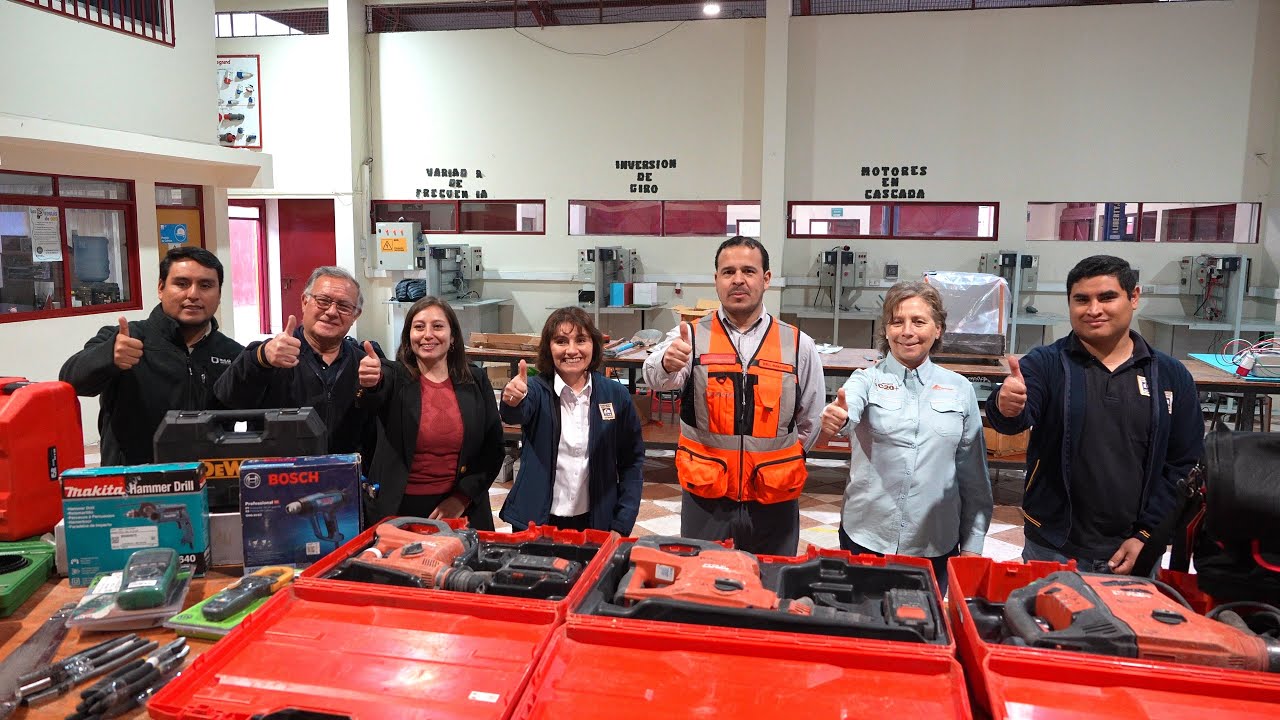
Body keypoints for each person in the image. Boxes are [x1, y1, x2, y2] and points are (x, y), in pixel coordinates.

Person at [987, 255, 1203, 575]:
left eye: (1107, 297)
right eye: (1081, 300)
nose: (1093, 309)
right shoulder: (1045, 364)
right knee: (1045, 623)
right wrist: (1005, 405)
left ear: (1134, 297)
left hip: (1134, 549)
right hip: (1053, 545)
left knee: (1126, 625)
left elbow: (1183, 464)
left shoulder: (1170, 376)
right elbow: (1012, 418)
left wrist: (1148, 534)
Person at [642, 236, 824, 555]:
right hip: (707, 496)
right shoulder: (690, 335)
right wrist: (666, 363)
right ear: (716, 280)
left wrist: (783, 461)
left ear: (765, 279)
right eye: (728, 272)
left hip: (773, 496)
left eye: (748, 271)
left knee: (771, 584)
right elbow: (654, 377)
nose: (738, 280)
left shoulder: (798, 345)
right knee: (705, 585)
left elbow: (811, 420)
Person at [817, 281, 991, 592]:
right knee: (863, 624)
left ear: (938, 329)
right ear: (886, 330)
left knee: (924, 627)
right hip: (868, 535)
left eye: (919, 322)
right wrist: (839, 417)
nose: (907, 331)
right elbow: (848, 408)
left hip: (934, 542)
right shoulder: (865, 380)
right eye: (897, 322)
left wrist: (973, 544)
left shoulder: (959, 389)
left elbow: (973, 475)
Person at [60, 247, 243, 465]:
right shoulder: (125, 339)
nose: (193, 294)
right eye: (182, 283)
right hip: (132, 485)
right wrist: (109, 356)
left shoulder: (233, 355)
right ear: (161, 288)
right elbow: (71, 380)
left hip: (209, 485)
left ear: (219, 294)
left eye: (205, 285)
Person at [359, 296, 503, 528]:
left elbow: (493, 449)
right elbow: (374, 394)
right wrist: (370, 382)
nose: (428, 334)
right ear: (408, 337)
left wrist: (462, 498)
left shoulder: (475, 381)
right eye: (419, 327)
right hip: (398, 509)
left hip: (461, 510)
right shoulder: (394, 376)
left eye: (437, 326)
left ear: (453, 336)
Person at [499, 306, 645, 534]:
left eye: (581, 340)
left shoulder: (615, 395)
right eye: (561, 341)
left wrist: (622, 522)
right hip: (536, 521)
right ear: (549, 348)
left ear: (593, 345)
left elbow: (632, 462)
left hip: (595, 522)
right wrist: (512, 399)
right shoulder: (537, 390)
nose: (572, 350)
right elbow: (515, 413)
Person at [214, 266, 382, 458]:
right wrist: (259, 359)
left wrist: (376, 387)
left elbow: (376, 434)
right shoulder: (271, 355)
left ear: (355, 315)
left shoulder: (363, 365)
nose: (332, 312)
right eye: (323, 301)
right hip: (279, 477)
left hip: (343, 477)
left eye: (344, 306)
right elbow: (227, 397)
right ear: (304, 301)